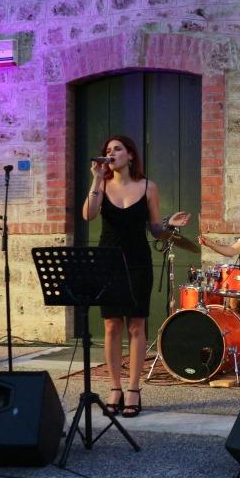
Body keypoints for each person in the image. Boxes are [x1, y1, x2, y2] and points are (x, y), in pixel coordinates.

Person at [82, 134, 190, 418]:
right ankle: (114, 387)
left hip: (138, 262)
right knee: (111, 326)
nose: (111, 153)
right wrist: (96, 178)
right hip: (108, 262)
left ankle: (133, 388)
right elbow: (88, 215)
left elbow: (155, 229)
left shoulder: (148, 187)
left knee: (136, 326)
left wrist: (169, 224)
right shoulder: (101, 184)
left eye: (117, 149)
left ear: (130, 155)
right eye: (108, 150)